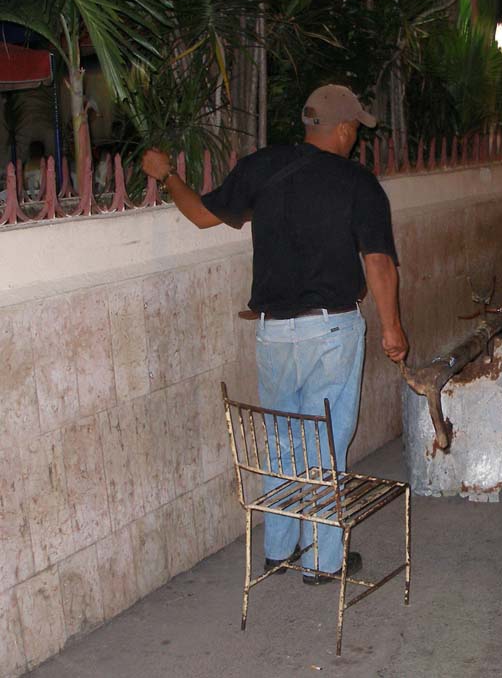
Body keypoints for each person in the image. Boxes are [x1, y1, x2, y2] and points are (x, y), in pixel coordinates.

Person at [141, 84, 409, 584]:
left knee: (283, 440)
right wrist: (393, 329)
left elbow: (201, 214)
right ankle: (323, 562)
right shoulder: (358, 183)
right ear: (345, 128)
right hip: (330, 330)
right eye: (357, 128)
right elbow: (378, 262)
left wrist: (168, 175)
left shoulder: (262, 167)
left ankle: (280, 548)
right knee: (324, 446)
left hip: (272, 334)